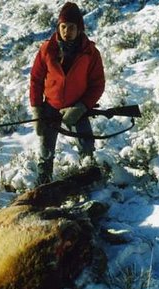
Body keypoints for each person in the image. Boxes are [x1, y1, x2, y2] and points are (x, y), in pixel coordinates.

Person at [30, 2, 105, 185]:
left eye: (71, 27)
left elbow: (98, 84)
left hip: (77, 107)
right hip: (51, 106)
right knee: (45, 151)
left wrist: (81, 107)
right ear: (58, 27)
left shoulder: (90, 53)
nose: (66, 31)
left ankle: (89, 179)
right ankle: (44, 183)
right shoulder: (47, 49)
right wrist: (37, 111)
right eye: (63, 27)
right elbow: (36, 80)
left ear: (79, 29)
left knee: (86, 147)